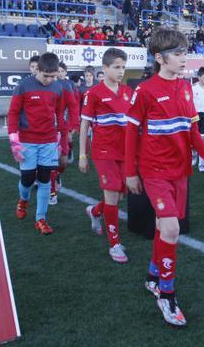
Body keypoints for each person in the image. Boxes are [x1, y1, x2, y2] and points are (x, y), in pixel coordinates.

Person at [124, 27, 204, 327]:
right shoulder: (145, 90)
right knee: (171, 231)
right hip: (154, 172)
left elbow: (192, 130)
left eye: (185, 53)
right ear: (159, 58)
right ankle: (166, 296)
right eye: (178, 54)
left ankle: (153, 277)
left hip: (180, 170)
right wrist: (130, 172)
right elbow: (130, 132)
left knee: (163, 229)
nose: (184, 59)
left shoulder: (187, 87)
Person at [80, 48, 133, 263]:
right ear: (105, 68)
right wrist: (82, 155)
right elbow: (84, 124)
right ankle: (114, 244)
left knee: (121, 195)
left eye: (123, 67)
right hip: (103, 152)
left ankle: (94, 211)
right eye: (116, 67)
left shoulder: (129, 92)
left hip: (125, 151)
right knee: (112, 194)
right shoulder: (93, 93)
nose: (120, 71)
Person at [8, 53, 69, 235]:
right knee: (27, 178)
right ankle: (23, 199)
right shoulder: (23, 86)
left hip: (49, 140)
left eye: (53, 76)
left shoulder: (58, 87)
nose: (49, 80)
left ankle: (40, 219)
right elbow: (13, 113)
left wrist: (60, 138)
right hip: (27, 140)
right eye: (46, 76)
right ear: (38, 70)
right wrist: (13, 139)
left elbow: (59, 114)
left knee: (44, 179)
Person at [49, 62, 81, 204]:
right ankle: (52, 193)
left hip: (63, 127)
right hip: (48, 130)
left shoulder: (68, 86)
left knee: (63, 161)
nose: (59, 74)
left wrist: (73, 126)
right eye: (57, 71)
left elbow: (73, 106)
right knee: (51, 162)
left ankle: (58, 175)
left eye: (62, 71)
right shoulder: (45, 85)